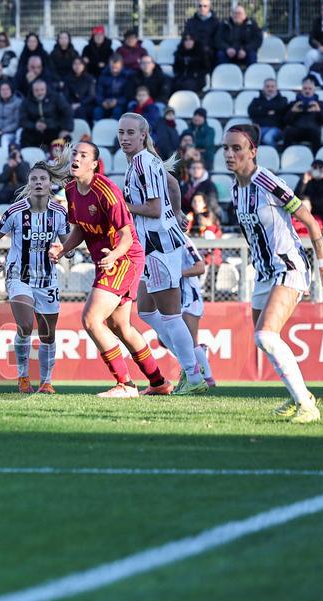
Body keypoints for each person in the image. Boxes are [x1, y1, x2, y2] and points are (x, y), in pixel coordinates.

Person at [222, 124, 323, 422]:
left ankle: (307, 406)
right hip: (264, 273)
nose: (229, 154)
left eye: (236, 148)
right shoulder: (236, 189)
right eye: (226, 148)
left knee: (266, 335)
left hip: (289, 266)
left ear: (253, 151)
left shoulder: (268, 182)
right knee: (263, 338)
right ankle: (298, 396)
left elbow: (311, 223)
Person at [48, 141, 170, 397]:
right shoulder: (70, 189)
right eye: (74, 154)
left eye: (83, 155)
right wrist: (63, 249)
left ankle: (125, 384)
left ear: (94, 164)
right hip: (108, 260)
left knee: (92, 320)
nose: (76, 158)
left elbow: (127, 235)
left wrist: (114, 255)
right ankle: (159, 383)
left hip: (124, 258)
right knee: (119, 326)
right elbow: (80, 228)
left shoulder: (107, 190)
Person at [118, 112, 207, 395]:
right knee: (145, 309)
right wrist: (178, 211)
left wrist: (121, 208)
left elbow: (154, 209)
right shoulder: (145, 162)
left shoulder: (143, 162)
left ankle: (194, 375)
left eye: (131, 133)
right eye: (121, 133)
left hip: (158, 245)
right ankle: (192, 364)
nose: (125, 138)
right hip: (153, 245)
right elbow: (172, 184)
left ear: (143, 135)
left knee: (170, 316)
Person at [0, 160, 70, 393]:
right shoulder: (15, 211)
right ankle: (23, 377)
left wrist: (61, 251)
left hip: (47, 279)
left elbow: (68, 247)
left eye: (43, 179)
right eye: (34, 179)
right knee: (25, 325)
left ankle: (46, 381)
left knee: (48, 334)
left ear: (50, 184)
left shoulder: (60, 212)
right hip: (18, 276)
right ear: (29, 183)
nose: (39, 182)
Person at [178, 236, 215, 386]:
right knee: (163, 339)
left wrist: (177, 274)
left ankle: (208, 378)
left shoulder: (183, 240)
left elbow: (200, 267)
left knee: (189, 340)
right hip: (175, 299)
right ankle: (200, 355)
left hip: (189, 298)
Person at [20, 79, 72, 147]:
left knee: (66, 138)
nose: (40, 92)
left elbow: (67, 112)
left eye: (42, 90)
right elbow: (22, 119)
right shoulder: (26, 102)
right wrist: (34, 125)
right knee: (24, 136)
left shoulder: (56, 98)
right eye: (36, 90)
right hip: (34, 131)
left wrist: (66, 129)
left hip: (54, 128)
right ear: (32, 91)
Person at [284, 77, 323, 154]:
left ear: (314, 90)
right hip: (297, 130)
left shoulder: (320, 104)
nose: (307, 91)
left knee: (316, 132)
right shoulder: (294, 103)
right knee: (288, 132)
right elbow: (286, 121)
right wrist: (292, 111)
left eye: (310, 89)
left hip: (312, 131)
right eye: (305, 88)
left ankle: (316, 158)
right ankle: (286, 156)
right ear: (302, 90)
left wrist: (318, 111)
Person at [248, 78, 288, 147]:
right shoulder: (256, 100)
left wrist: (261, 109)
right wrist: (269, 111)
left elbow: (281, 108)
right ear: (263, 88)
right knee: (248, 139)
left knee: (267, 138)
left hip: (276, 129)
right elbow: (251, 112)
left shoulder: (283, 100)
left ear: (276, 88)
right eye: (267, 86)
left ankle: (274, 155)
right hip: (260, 128)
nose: (270, 89)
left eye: (272, 86)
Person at [94, 55, 132, 121]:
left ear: (121, 65)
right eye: (112, 67)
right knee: (97, 111)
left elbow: (128, 95)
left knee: (117, 111)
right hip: (105, 103)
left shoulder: (127, 77)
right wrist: (102, 102)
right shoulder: (103, 75)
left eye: (116, 68)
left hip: (120, 104)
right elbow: (99, 93)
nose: (114, 70)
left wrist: (117, 102)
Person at [0, 81, 21, 150]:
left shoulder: (18, 102)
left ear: (11, 90)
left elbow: (17, 122)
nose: (4, 91)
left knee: (4, 138)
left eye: (7, 89)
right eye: (2, 90)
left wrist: (3, 131)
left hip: (11, 132)